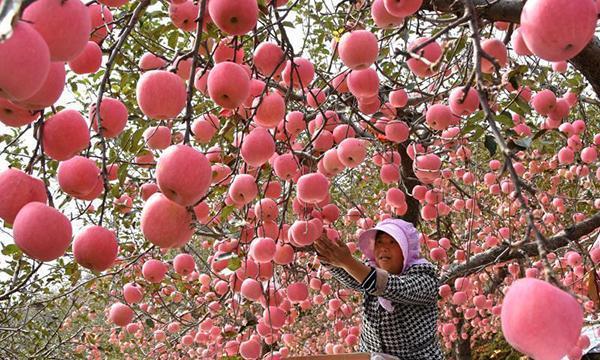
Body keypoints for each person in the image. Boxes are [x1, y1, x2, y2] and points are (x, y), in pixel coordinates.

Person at [314, 218, 444, 359]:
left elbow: (396, 287)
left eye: (393, 242)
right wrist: (324, 250)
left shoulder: (425, 279)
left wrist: (348, 261)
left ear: (405, 249)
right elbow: (353, 277)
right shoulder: (370, 271)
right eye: (379, 242)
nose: (384, 247)